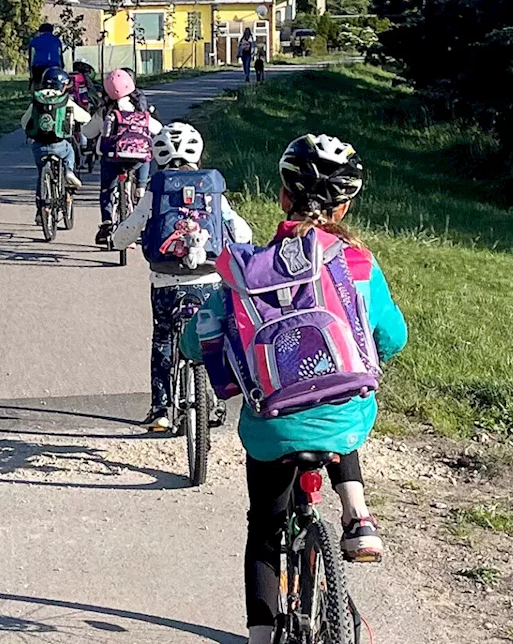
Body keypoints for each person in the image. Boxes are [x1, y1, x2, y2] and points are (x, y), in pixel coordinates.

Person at [179, 134, 407, 644]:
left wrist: (191, 346)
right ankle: (356, 513)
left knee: (264, 526)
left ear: (283, 197)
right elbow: (395, 335)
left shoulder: (246, 271)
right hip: (344, 418)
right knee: (342, 404)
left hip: (271, 428)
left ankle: (261, 636)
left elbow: (202, 338)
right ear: (345, 204)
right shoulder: (361, 264)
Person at [111, 122, 253, 431]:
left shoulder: (158, 188)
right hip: (208, 278)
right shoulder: (211, 189)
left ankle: (160, 408)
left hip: (165, 281)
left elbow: (131, 227)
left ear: (158, 155)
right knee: (216, 334)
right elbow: (241, 230)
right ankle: (217, 397)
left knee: (163, 336)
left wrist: (117, 240)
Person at [83, 68, 163, 245]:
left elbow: (88, 132)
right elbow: (158, 130)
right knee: (144, 154)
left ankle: (107, 223)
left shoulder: (105, 111)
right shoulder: (141, 108)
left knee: (106, 190)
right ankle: (141, 188)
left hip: (112, 158)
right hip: (137, 160)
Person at [20, 67, 89, 209]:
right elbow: (85, 117)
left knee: (41, 174)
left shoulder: (37, 99)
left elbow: (24, 122)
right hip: (59, 145)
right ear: (62, 85)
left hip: (39, 146)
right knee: (70, 151)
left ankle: (41, 210)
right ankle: (69, 171)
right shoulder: (64, 100)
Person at [28, 23, 63, 89]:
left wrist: (31, 75)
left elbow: (31, 59)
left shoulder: (34, 41)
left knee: (38, 85)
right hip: (54, 67)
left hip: (39, 67)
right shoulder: (57, 40)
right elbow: (60, 56)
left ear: (40, 32)